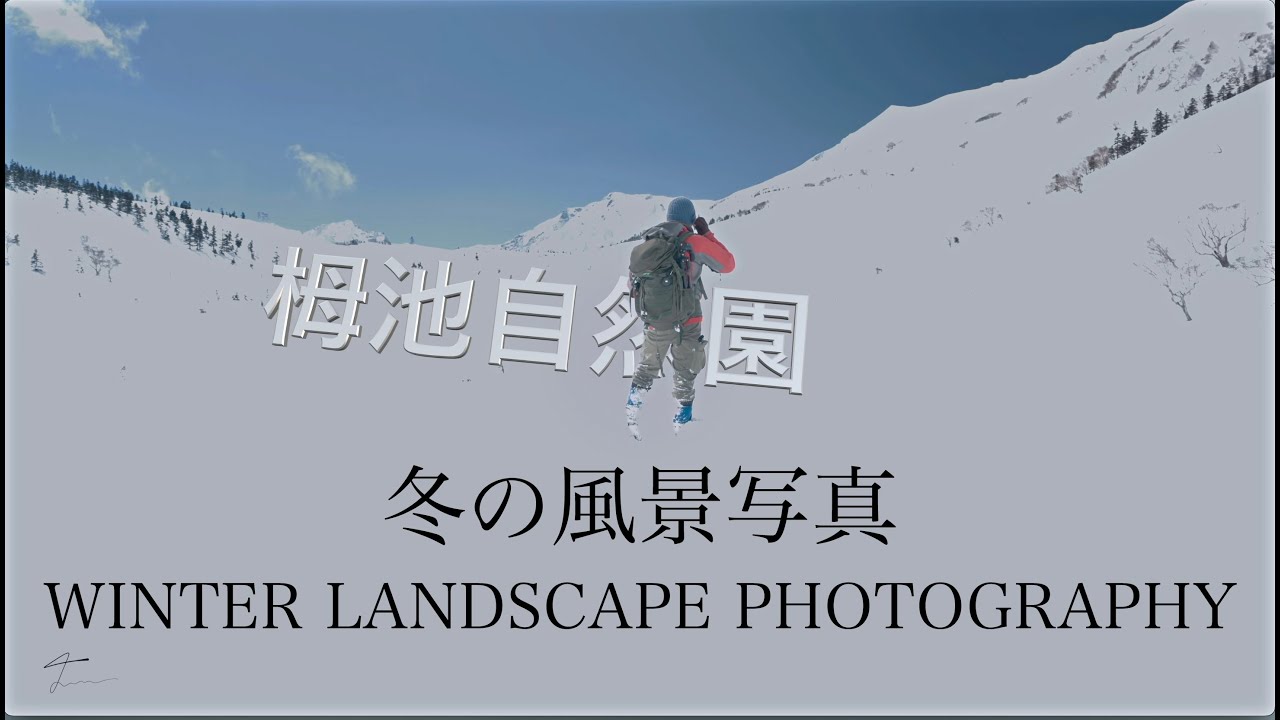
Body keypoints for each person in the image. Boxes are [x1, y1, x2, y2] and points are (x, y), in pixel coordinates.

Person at [625, 197, 735, 438]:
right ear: (690, 219)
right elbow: (728, 264)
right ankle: (683, 424)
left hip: (656, 320)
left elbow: (633, 282)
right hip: (688, 320)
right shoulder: (694, 241)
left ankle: (632, 411)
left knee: (647, 366)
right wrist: (706, 233)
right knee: (685, 370)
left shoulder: (650, 244)